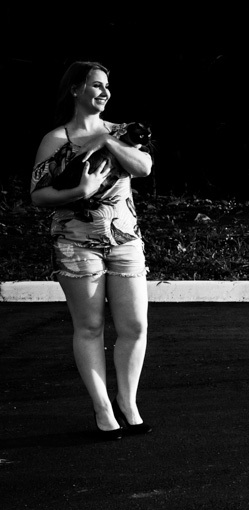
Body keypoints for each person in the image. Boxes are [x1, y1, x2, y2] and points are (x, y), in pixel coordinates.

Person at [30, 61, 154, 439]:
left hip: (125, 242)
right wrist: (78, 193)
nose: (104, 92)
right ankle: (103, 411)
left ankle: (127, 403)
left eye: (107, 87)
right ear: (75, 90)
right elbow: (37, 195)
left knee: (134, 326)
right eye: (96, 85)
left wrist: (105, 141)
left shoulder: (122, 131)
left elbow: (144, 166)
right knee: (90, 327)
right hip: (76, 243)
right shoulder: (57, 139)